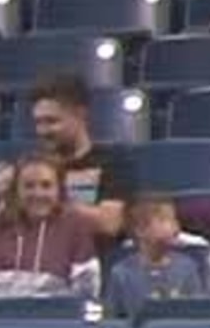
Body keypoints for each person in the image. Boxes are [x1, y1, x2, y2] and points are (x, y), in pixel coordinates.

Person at [0, 151, 101, 310]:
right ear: (16, 190)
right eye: (29, 186)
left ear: (59, 190)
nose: (38, 194)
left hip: (53, 324)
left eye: (46, 185)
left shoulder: (75, 229)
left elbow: (87, 289)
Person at [28, 73, 135, 241]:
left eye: (51, 121)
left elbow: (109, 224)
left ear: (80, 114)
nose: (42, 131)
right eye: (38, 123)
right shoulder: (33, 166)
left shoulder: (113, 162)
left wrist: (45, 200)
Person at [102, 195, 210, 316]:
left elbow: (196, 315)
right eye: (164, 220)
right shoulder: (121, 273)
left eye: (174, 220)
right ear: (140, 230)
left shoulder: (187, 268)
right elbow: (112, 320)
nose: (174, 226)